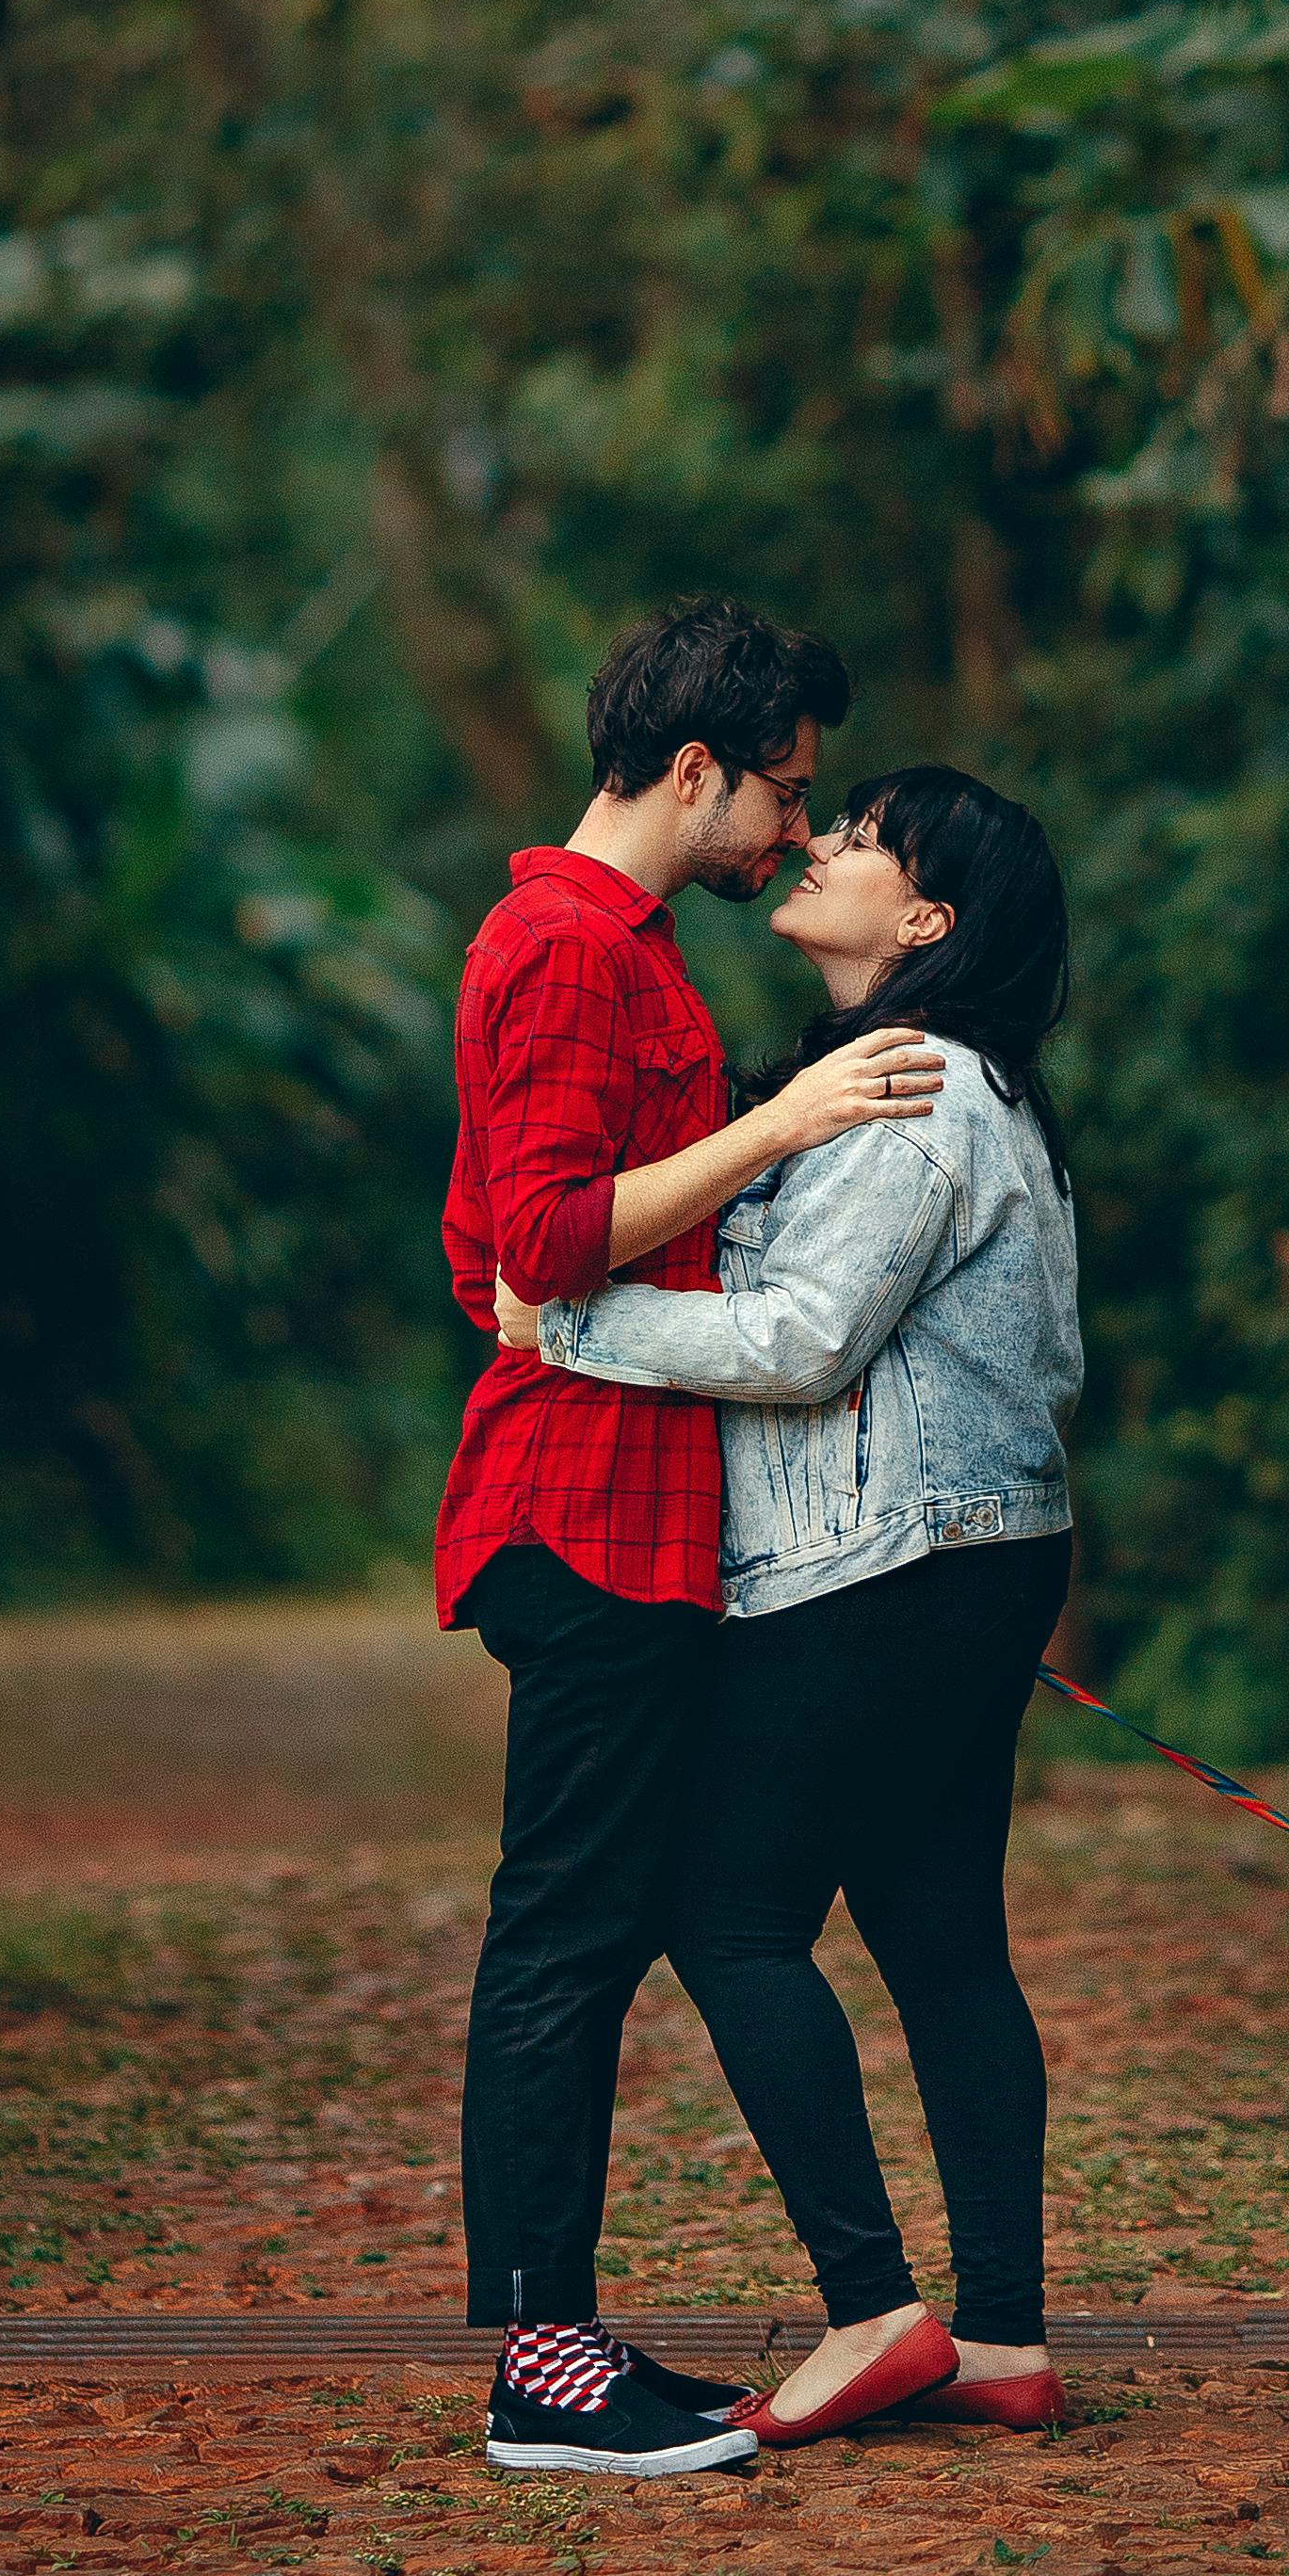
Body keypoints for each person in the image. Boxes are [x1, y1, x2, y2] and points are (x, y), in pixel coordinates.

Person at [498, 763, 1080, 2448]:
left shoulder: (911, 1086)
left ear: (925, 922)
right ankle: (1004, 2342)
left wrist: (564, 1328)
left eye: (857, 834)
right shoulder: (947, 1088)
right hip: (959, 1559)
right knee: (936, 1934)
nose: (813, 844)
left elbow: (798, 1340)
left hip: (877, 1572)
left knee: (725, 1915)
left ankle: (875, 2312)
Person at [439, 596, 953, 2480]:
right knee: (565, 1931)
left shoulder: (599, 943)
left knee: (600, 1918)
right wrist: (789, 1115)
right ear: (692, 768)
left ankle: (568, 2338)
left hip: (626, 1511)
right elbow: (547, 1242)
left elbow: (479, 1241)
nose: (791, 834)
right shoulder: (571, 950)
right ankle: (539, 2363)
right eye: (783, 794)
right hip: (582, 1509)